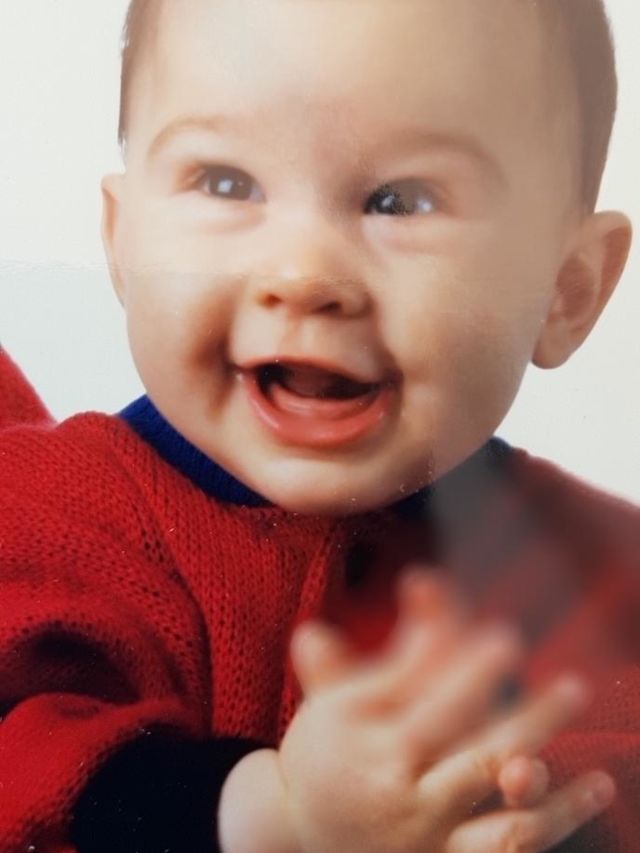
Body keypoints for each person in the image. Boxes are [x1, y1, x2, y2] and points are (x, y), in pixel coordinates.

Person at [0, 0, 637, 850]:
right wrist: (264, 813)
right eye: (226, 182)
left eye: (400, 200)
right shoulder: (42, 518)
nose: (303, 274)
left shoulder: (586, 579)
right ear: (122, 240)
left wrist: (499, 807)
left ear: (567, 288)